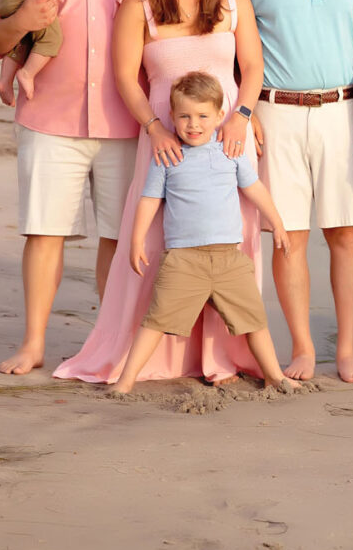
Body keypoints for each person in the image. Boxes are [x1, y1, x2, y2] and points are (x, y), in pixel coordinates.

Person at [54, 0, 266, 384]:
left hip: (229, 140)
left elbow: (251, 68)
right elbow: (126, 77)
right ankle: (153, 356)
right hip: (167, 141)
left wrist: (243, 118)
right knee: (154, 244)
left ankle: (219, 356)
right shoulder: (139, 2)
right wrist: (154, 127)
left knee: (228, 244)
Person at [0, 0, 153, 375]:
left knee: (122, 239)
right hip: (48, 114)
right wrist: (22, 21)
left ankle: (113, 343)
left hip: (129, 117)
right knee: (44, 230)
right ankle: (33, 343)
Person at [231, 0, 353, 384]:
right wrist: (244, 112)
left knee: (345, 235)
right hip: (275, 113)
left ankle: (347, 353)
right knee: (287, 236)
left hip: (341, 110)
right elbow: (232, 38)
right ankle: (303, 349)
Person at [112, 72, 299, 395]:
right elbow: (150, 200)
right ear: (172, 117)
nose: (193, 124)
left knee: (254, 320)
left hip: (229, 259)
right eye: (184, 116)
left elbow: (254, 188)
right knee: (156, 320)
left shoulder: (230, 150)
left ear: (218, 115)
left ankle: (274, 376)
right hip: (183, 260)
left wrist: (278, 223)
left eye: (202, 116)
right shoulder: (168, 156)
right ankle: (125, 381)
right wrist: (136, 239)